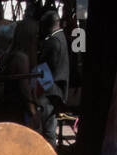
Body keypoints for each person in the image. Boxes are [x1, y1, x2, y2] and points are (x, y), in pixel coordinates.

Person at [38, 11, 70, 146]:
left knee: (46, 130)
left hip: (49, 89)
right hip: (58, 89)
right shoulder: (62, 37)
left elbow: (43, 67)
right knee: (50, 129)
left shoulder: (52, 42)